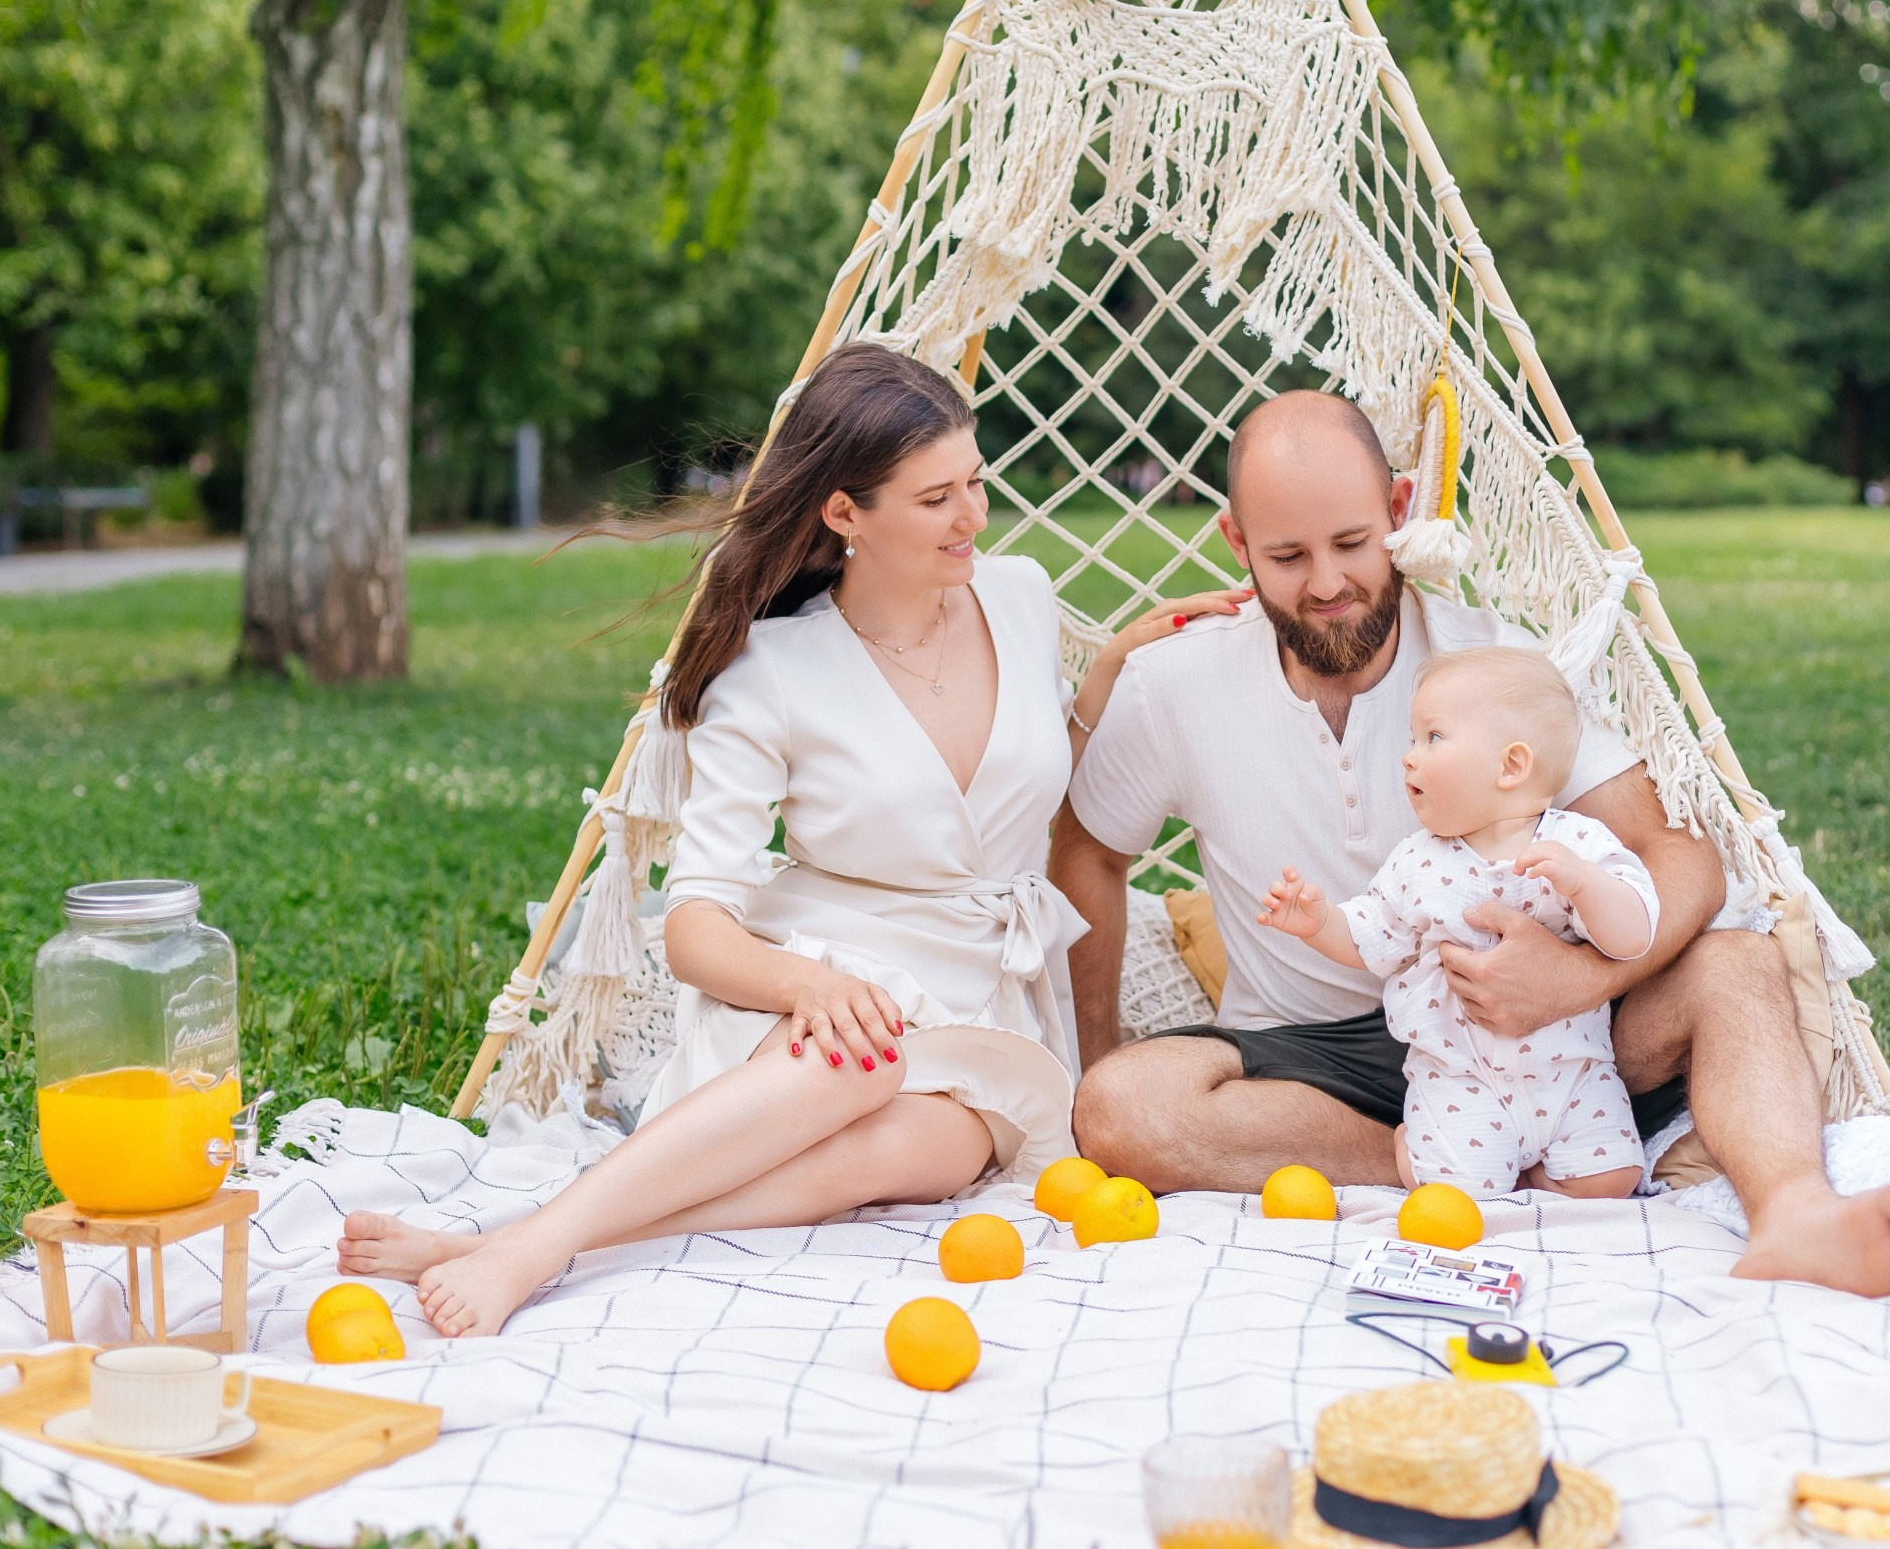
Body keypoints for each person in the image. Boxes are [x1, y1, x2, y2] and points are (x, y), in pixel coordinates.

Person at [338, 345, 1240, 1336]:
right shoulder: (769, 670)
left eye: (975, 481)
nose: (974, 515)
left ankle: (533, 1232)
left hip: (985, 985)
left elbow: (1017, 792)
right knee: (861, 1055)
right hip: (830, 970)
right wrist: (807, 985)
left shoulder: (1018, 595)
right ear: (845, 513)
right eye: (937, 496)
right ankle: (537, 1242)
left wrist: (1109, 666)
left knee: (934, 1150)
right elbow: (695, 927)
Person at [1053, 389, 1890, 1297]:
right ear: (1237, 543)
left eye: (1352, 544)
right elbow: (1089, 851)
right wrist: (1092, 1053)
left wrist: (1577, 979)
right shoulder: (1177, 685)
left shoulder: (1491, 661)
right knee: (1119, 1105)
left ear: (1399, 512)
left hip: (1546, 1036)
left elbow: (1685, 859)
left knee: (1739, 965)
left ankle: (1794, 1214)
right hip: (1313, 1063)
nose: (1324, 583)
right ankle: (1440, 1158)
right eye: (1287, 555)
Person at [1260, 646, 1656, 1200]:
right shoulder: (1418, 861)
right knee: (1456, 1190)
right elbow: (1370, 937)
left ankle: (1537, 1172)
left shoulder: (1577, 845)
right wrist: (1319, 920)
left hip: (1570, 1071)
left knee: (1612, 1179)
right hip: (1460, 1076)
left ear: (1511, 766)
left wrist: (1586, 885)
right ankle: (1415, 1145)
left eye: (1433, 738)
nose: (1409, 757)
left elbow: (1634, 935)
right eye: (1412, 738)